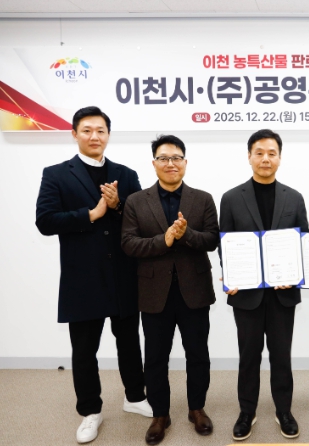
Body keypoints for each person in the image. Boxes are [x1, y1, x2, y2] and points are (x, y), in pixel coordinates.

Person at [35, 106, 152, 444]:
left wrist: (117, 206)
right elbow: (45, 221)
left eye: (100, 130)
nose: (94, 136)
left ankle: (135, 397)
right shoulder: (56, 174)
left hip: (123, 273)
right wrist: (91, 214)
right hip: (82, 277)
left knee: (129, 342)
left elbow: (142, 220)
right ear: (74, 134)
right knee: (84, 349)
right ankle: (90, 410)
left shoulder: (125, 174)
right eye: (87, 130)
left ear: (108, 135)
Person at [121, 135, 219, 445]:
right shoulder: (136, 201)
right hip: (154, 292)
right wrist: (163, 240)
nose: (170, 163)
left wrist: (185, 234)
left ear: (185, 162)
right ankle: (160, 414)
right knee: (155, 358)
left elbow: (212, 240)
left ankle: (196, 408)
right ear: (154, 163)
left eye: (176, 158)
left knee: (198, 354)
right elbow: (128, 244)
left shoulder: (203, 199)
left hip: (194, 290)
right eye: (163, 158)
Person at [219, 129, 309, 441]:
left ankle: (284, 410)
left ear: (280, 158)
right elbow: (225, 244)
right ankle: (247, 411)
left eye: (272, 153)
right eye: (259, 152)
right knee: (249, 356)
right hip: (247, 294)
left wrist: (295, 273)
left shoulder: (294, 197)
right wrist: (230, 275)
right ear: (249, 157)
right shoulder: (231, 198)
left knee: (281, 355)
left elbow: (303, 242)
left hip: (283, 295)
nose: (265, 158)